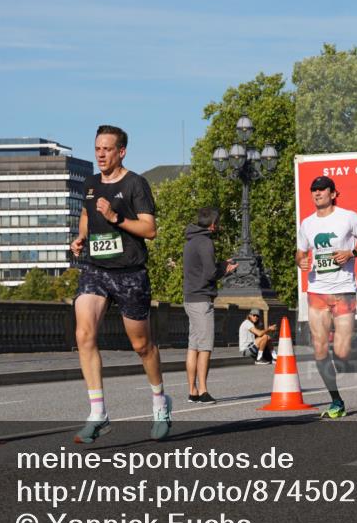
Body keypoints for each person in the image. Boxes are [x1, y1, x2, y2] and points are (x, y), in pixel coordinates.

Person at [69, 125, 167, 443]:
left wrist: (115, 218)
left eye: (107, 149)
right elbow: (85, 214)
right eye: (97, 148)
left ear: (121, 151)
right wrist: (82, 237)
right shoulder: (92, 183)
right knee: (84, 334)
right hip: (96, 270)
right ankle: (98, 413)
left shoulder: (136, 183)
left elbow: (150, 229)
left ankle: (160, 403)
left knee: (142, 346)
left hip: (130, 273)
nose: (100, 154)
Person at [296, 176, 357, 418]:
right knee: (320, 349)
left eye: (322, 190)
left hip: (343, 290)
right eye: (314, 190)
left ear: (333, 193)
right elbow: (300, 252)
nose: (317, 193)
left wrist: (351, 252)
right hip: (317, 291)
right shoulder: (307, 224)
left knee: (342, 353)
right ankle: (336, 401)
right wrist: (301, 261)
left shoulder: (348, 217)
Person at [183, 207, 238, 404]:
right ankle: (204, 391)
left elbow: (200, 269)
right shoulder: (206, 242)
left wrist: (221, 264)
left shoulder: (190, 241)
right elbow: (209, 274)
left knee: (193, 346)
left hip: (189, 298)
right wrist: (226, 269)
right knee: (205, 346)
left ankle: (192, 391)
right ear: (213, 224)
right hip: (202, 300)